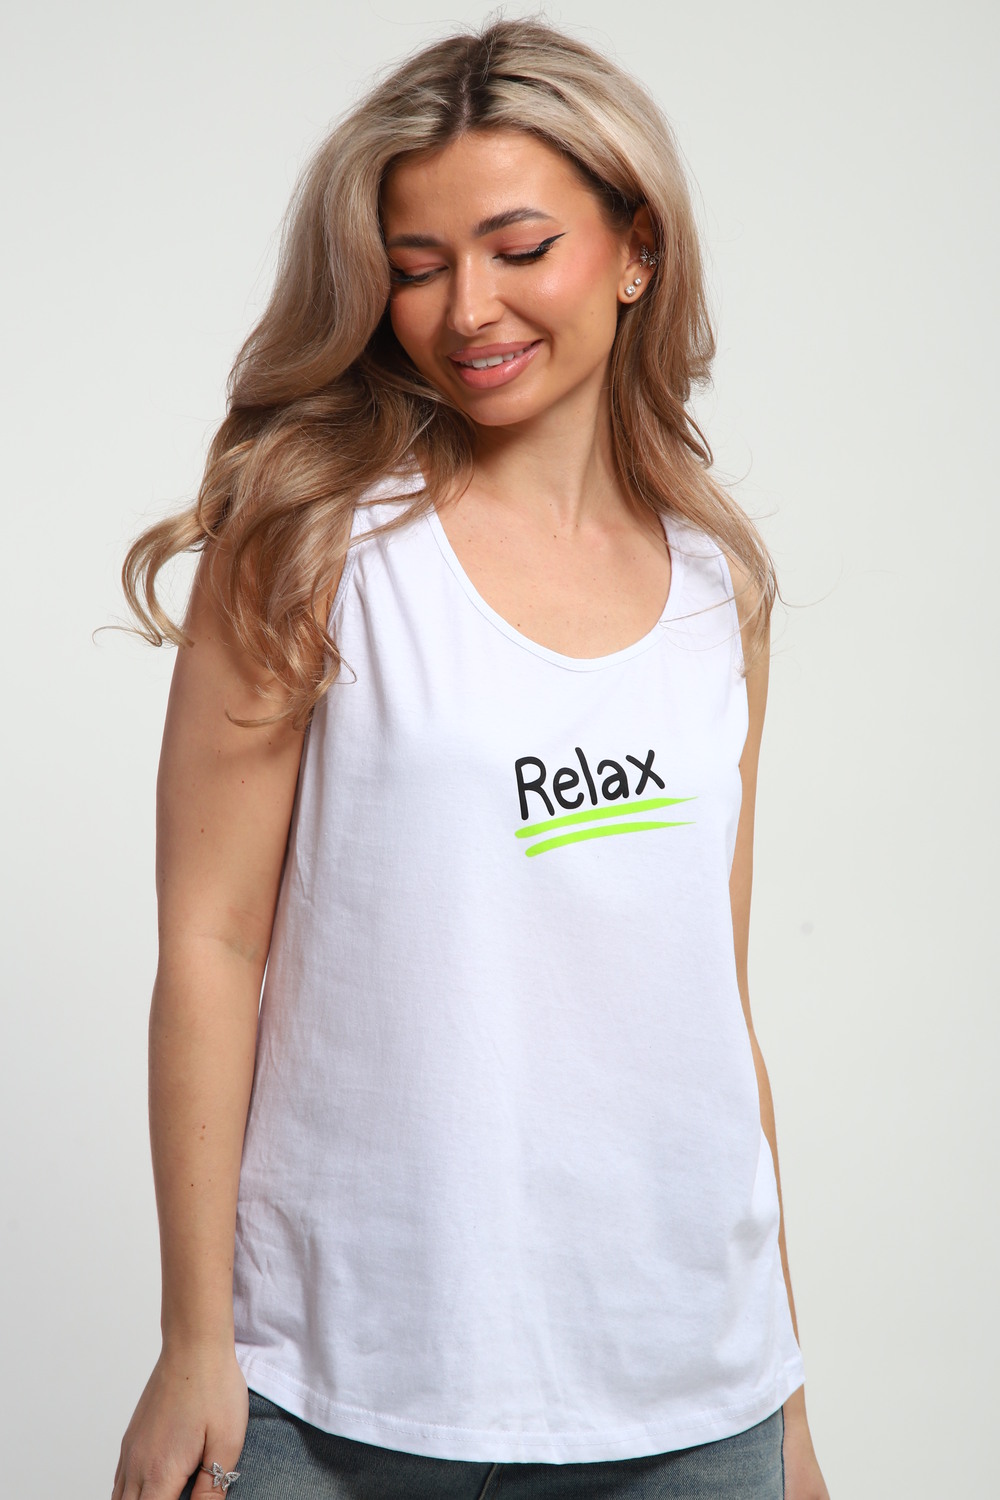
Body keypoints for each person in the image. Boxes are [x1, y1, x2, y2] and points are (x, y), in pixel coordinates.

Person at [112, 17, 830, 1500]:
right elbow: (211, 941)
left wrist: (788, 1392)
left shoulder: (719, 590)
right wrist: (194, 1338)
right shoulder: (312, 546)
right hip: (342, 1383)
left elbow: (713, 1005)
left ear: (636, 247)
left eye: (521, 248)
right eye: (418, 264)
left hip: (693, 1394)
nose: (467, 309)